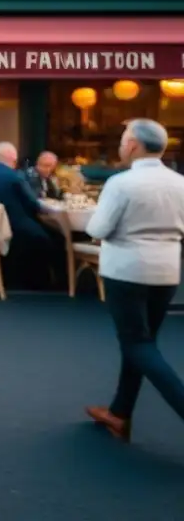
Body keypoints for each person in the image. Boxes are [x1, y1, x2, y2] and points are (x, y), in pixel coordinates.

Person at [84, 119, 184, 442]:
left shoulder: (121, 183)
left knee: (137, 344)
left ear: (132, 146)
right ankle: (119, 413)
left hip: (126, 271)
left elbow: (97, 230)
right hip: (167, 272)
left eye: (124, 139)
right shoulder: (180, 183)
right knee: (143, 343)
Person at [0, 142, 64, 289]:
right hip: (15, 224)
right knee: (53, 237)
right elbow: (33, 204)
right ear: (12, 159)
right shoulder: (14, 177)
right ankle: (47, 284)